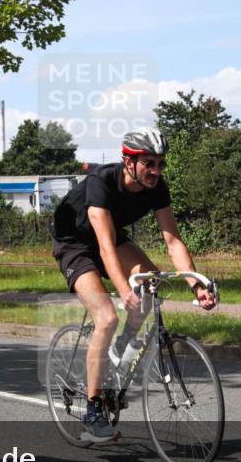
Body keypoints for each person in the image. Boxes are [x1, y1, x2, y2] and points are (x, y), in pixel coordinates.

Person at [51, 127, 216, 442]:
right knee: (107, 317)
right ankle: (93, 408)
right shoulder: (102, 182)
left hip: (114, 239)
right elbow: (104, 248)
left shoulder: (156, 187)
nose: (155, 171)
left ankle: (120, 348)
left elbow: (173, 241)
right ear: (129, 162)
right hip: (75, 245)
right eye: (148, 163)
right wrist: (124, 291)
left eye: (160, 164)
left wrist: (196, 284)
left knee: (151, 282)